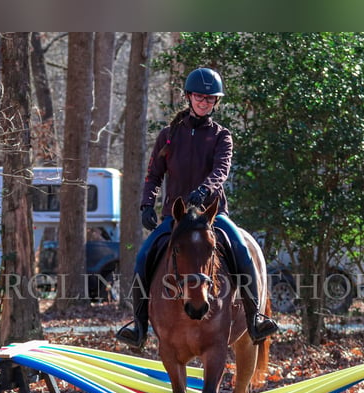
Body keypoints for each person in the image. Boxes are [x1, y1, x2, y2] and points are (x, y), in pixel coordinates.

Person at [116, 67, 279, 349]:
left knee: (242, 252)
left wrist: (204, 190)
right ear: (189, 97)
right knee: (143, 257)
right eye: (199, 97)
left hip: (212, 217)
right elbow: (154, 174)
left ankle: (255, 319)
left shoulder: (221, 136)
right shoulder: (168, 136)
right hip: (176, 218)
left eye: (210, 98)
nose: (204, 102)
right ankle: (139, 327)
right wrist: (146, 203)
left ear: (216, 102)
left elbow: (221, 170)